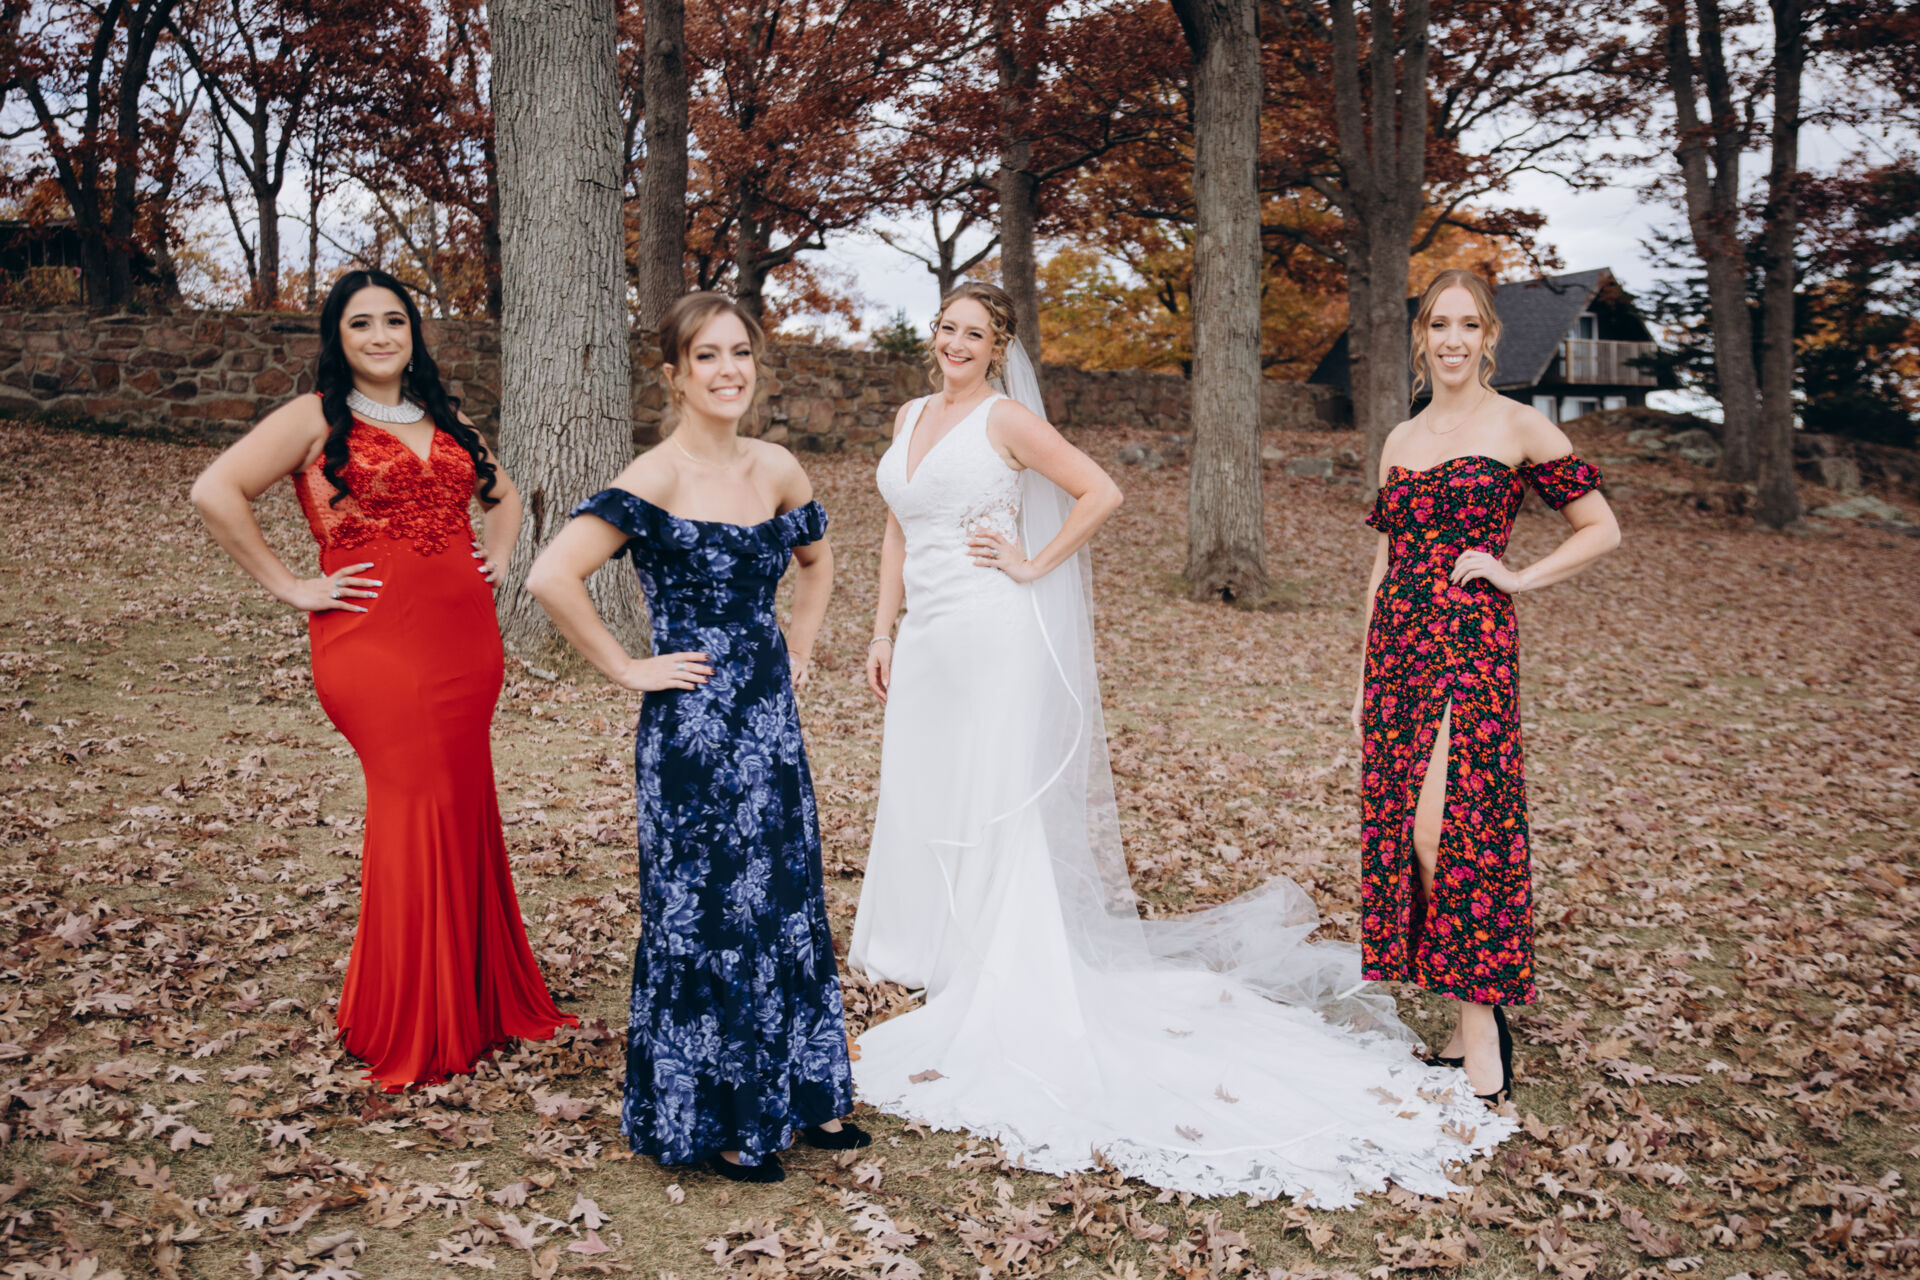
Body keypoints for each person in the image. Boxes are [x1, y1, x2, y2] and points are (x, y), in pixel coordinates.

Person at [847, 282, 1511, 1206]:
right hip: (924, 639)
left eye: (975, 333)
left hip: (993, 631)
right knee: (925, 784)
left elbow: (1100, 490)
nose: (956, 343)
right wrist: (883, 628)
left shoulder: (1006, 419)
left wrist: (1033, 565)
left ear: (998, 348)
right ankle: (926, 942)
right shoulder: (910, 415)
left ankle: (992, 957)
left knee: (993, 791)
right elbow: (897, 529)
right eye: (947, 328)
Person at [189, 269, 575, 1091]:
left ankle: (475, 1000)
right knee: (415, 806)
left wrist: (499, 554)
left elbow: (503, 498)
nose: (379, 336)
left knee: (461, 805)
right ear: (338, 337)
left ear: (413, 333)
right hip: (371, 643)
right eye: (360, 322)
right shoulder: (313, 418)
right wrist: (292, 586)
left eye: (393, 320)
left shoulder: (446, 418)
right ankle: (412, 1016)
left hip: (465, 644)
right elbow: (214, 490)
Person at [526, 292, 862, 1185]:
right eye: (707, 356)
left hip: (770, 722)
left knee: (783, 897)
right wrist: (626, 667)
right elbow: (551, 575)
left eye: (739, 352)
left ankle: (804, 1095)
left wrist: (800, 644)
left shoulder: (776, 467)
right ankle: (720, 1119)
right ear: (674, 375)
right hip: (693, 732)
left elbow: (817, 559)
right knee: (710, 909)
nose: (728, 370)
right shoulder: (656, 477)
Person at [1354, 268, 1621, 1106]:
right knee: (1409, 838)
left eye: (1469, 324)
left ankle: (1481, 1033)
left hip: (1471, 648)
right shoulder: (1400, 437)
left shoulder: (1519, 425)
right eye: (1440, 324)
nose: (1454, 339)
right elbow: (1384, 563)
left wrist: (1518, 576)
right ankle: (1473, 1012)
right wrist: (1362, 677)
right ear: (1422, 337)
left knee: (1447, 832)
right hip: (1397, 652)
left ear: (1490, 337)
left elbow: (1601, 527)